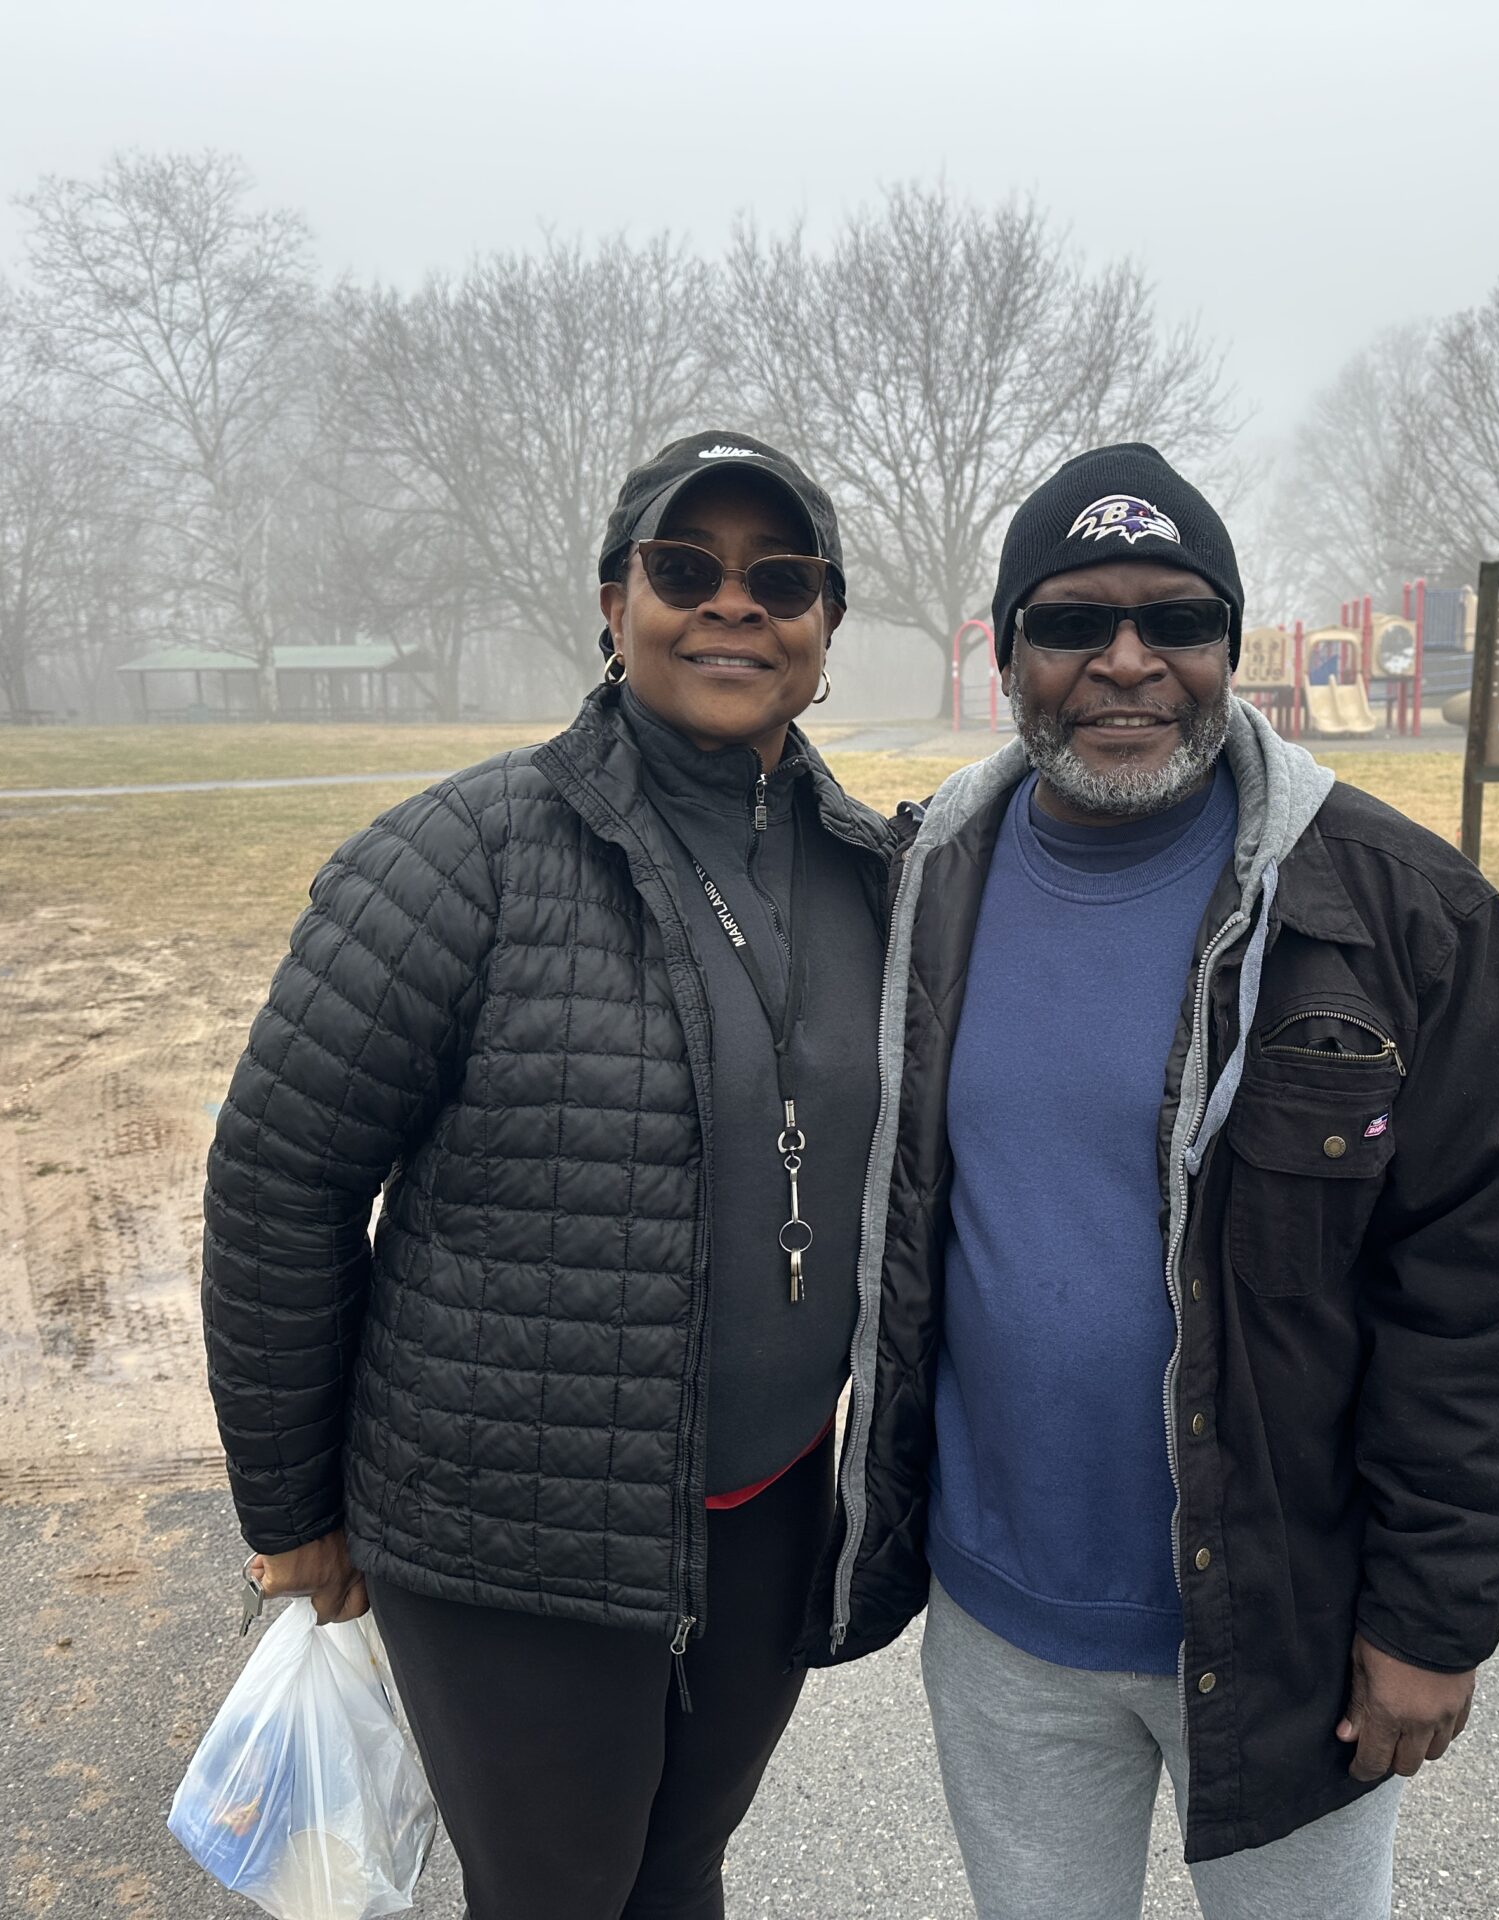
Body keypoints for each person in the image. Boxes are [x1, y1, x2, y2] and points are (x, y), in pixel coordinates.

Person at [806, 444, 1499, 1918]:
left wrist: (1435, 1615)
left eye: (1176, 620)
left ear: (1233, 648)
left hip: (1290, 1624)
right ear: (1003, 652)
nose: (1125, 661)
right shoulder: (923, 884)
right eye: (1071, 622)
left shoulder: (1399, 913)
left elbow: (1483, 1288)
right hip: (1003, 1624)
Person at [202, 432, 891, 1919]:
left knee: (681, 1871)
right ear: (611, 599)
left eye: (781, 579)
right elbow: (280, 1178)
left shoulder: (869, 873)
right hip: (510, 1535)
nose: (733, 607)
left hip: (767, 1513)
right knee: (556, 1895)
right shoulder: (459, 861)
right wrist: (289, 1508)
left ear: (827, 632)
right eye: (683, 569)